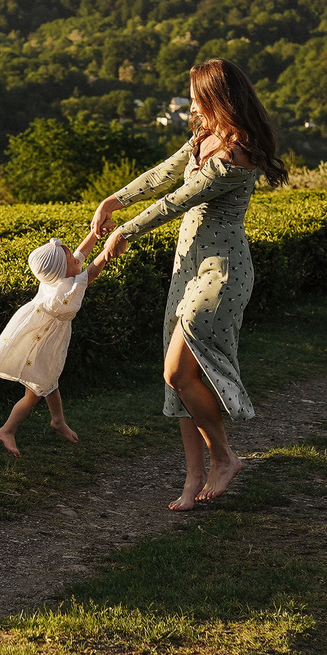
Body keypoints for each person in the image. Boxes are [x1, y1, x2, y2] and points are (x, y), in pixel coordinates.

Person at [90, 59, 288, 510]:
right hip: (187, 267)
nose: (191, 103)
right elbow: (163, 174)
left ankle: (224, 457)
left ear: (218, 96)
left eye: (197, 95)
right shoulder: (204, 139)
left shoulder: (237, 151)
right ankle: (193, 477)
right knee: (181, 380)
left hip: (221, 272)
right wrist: (113, 200)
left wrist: (125, 232)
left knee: (178, 370)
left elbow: (177, 200)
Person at [0, 235, 106, 455]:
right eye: (72, 260)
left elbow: (81, 253)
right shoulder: (67, 289)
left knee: (49, 378)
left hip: (40, 333)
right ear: (63, 271)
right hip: (42, 339)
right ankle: (7, 429)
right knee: (35, 391)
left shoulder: (58, 276)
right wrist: (110, 250)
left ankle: (58, 421)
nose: (77, 260)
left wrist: (95, 234)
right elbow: (93, 271)